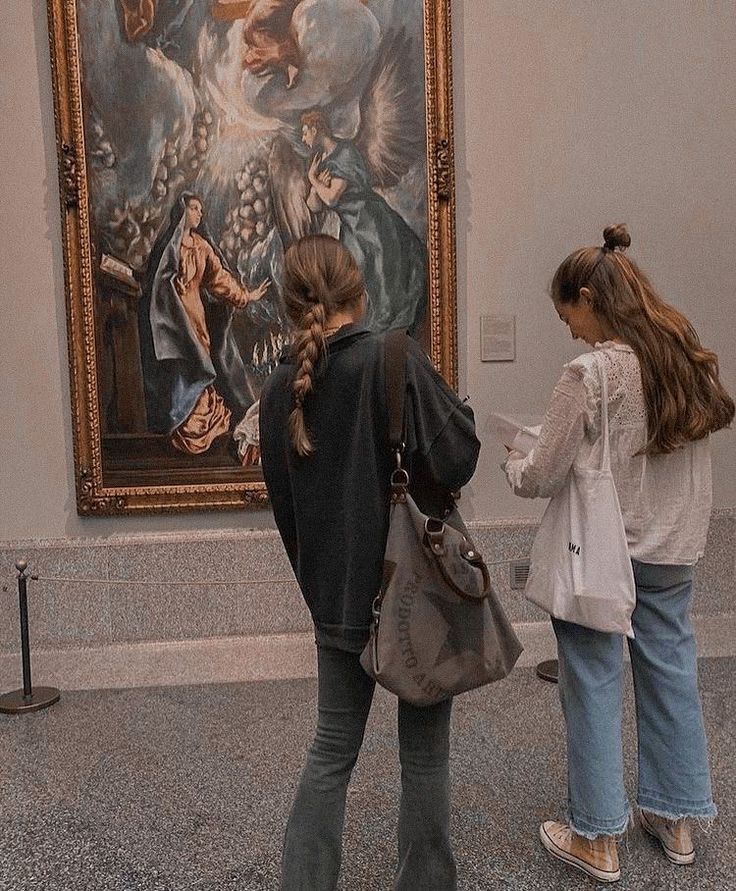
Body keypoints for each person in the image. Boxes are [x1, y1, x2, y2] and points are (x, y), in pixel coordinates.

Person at [503, 224, 734, 883]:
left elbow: (546, 472)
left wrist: (514, 464)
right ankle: (678, 818)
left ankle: (597, 835)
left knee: (594, 682)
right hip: (672, 547)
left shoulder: (592, 372)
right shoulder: (682, 353)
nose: (571, 331)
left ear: (586, 296)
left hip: (603, 553)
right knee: (671, 673)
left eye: (567, 315)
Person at [259, 234, 480, 890]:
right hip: (417, 593)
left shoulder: (279, 390)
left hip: (337, 595)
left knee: (330, 752)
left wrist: (321, 584)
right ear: (359, 288)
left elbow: (285, 505)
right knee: (425, 757)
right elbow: (457, 458)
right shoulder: (396, 356)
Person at [139, 192, 269, 454]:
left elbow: (219, 279)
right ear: (182, 211)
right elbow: (156, 282)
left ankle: (203, 423)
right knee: (180, 368)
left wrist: (246, 296)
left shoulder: (201, 247)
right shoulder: (169, 247)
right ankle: (182, 422)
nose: (199, 213)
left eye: (201, 209)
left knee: (199, 364)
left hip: (196, 320)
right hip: (173, 320)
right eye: (194, 208)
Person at [300, 111, 428, 337]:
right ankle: (369, 339)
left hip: (371, 222)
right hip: (352, 228)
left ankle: (389, 337)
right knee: (356, 280)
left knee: (383, 275)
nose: (303, 138)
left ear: (316, 128)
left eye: (305, 132)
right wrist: (317, 183)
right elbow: (314, 205)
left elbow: (331, 198)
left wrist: (314, 180)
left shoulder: (346, 152)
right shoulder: (321, 160)